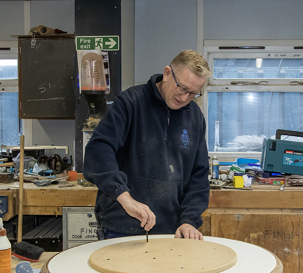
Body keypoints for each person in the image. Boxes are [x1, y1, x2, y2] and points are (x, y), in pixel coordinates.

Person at [83, 50, 211, 240]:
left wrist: (189, 221)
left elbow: (198, 176)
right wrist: (124, 197)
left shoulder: (194, 117)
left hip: (172, 230)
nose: (185, 98)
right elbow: (98, 150)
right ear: (167, 73)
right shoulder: (130, 103)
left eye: (193, 93)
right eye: (182, 88)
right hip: (123, 226)